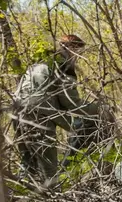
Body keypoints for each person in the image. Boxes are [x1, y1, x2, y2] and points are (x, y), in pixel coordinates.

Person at [14, 34, 99, 181]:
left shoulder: (40, 63)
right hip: (39, 118)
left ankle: (19, 198)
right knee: (48, 171)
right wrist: (99, 109)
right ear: (71, 48)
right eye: (78, 52)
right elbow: (72, 104)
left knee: (28, 165)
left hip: (17, 112)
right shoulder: (63, 66)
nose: (78, 57)